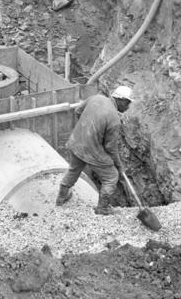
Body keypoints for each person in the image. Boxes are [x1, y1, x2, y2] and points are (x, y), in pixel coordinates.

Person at [56, 85, 133, 215]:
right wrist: (119, 167)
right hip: (92, 151)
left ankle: (61, 197)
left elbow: (78, 111)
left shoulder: (96, 98)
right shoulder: (114, 119)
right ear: (121, 100)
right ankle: (102, 208)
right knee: (111, 177)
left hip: (76, 142)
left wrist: (87, 129)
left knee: (74, 170)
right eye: (128, 103)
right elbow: (110, 148)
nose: (128, 107)